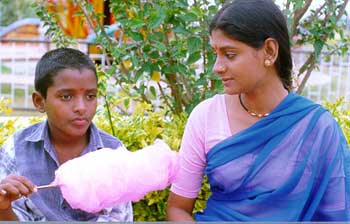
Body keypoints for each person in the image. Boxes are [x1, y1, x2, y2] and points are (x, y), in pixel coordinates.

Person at [166, 0, 350, 221]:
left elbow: (336, 214)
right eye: (215, 53)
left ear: (269, 51)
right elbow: (177, 209)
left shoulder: (318, 128)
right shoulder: (206, 116)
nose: (217, 67)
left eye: (230, 54)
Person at [0, 48, 133, 221]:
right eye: (66, 97)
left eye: (90, 96)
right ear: (40, 101)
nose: (81, 107)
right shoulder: (17, 149)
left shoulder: (113, 152)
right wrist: (3, 207)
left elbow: (119, 218)